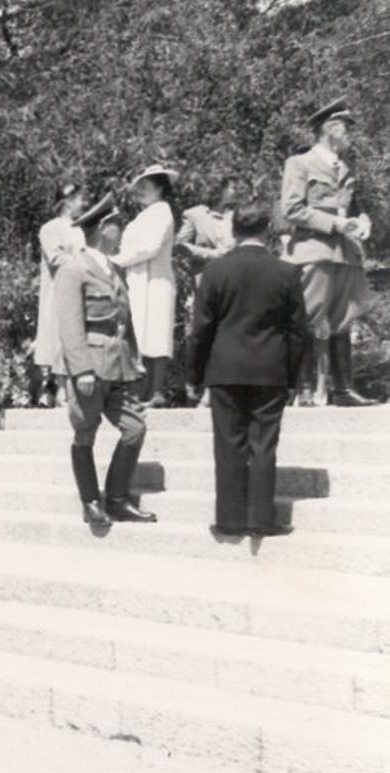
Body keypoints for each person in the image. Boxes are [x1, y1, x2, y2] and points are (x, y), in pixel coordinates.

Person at [189, 206, 310, 537]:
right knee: (263, 444)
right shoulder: (286, 272)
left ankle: (229, 519)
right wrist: (294, 377)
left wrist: (196, 375)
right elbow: (299, 331)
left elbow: (201, 328)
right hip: (271, 370)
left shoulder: (215, 270)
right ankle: (261, 518)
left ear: (234, 229)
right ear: (268, 229)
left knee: (228, 444)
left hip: (225, 369)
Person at [53, 194, 156, 526]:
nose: (122, 230)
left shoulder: (113, 268)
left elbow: (123, 320)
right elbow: (69, 324)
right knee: (85, 433)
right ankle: (90, 502)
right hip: (91, 366)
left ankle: (117, 498)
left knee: (134, 429)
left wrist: (135, 360)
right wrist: (81, 368)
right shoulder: (74, 268)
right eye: (117, 225)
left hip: (119, 364)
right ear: (103, 229)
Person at [280, 96, 376, 407]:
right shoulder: (300, 163)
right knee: (308, 319)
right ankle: (304, 388)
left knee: (343, 320)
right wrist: (335, 223)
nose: (350, 134)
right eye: (347, 128)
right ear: (329, 128)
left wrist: (363, 221)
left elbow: (353, 206)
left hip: (345, 254)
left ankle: (342, 389)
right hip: (313, 251)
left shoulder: (346, 167)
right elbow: (292, 209)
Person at [177, 176, 247, 408]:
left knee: (232, 333)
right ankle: (203, 389)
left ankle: (230, 390)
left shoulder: (237, 214)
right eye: (231, 187)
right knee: (208, 334)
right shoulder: (195, 214)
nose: (235, 191)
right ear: (218, 189)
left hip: (236, 280)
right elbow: (181, 245)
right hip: (206, 279)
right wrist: (212, 254)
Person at [112, 165, 178, 407]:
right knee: (141, 334)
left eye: (146, 187)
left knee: (157, 335)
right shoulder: (144, 215)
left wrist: (116, 261)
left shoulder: (162, 211)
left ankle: (156, 391)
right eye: (138, 187)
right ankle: (144, 391)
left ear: (160, 188)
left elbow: (150, 247)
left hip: (156, 281)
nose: (140, 191)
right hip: (138, 280)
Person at [35, 183, 88, 407]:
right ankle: (58, 392)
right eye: (80, 199)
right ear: (68, 201)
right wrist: (84, 261)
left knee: (74, 338)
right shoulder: (50, 228)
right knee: (57, 338)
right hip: (58, 292)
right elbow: (56, 258)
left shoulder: (79, 229)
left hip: (78, 291)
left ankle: (72, 392)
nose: (84, 204)